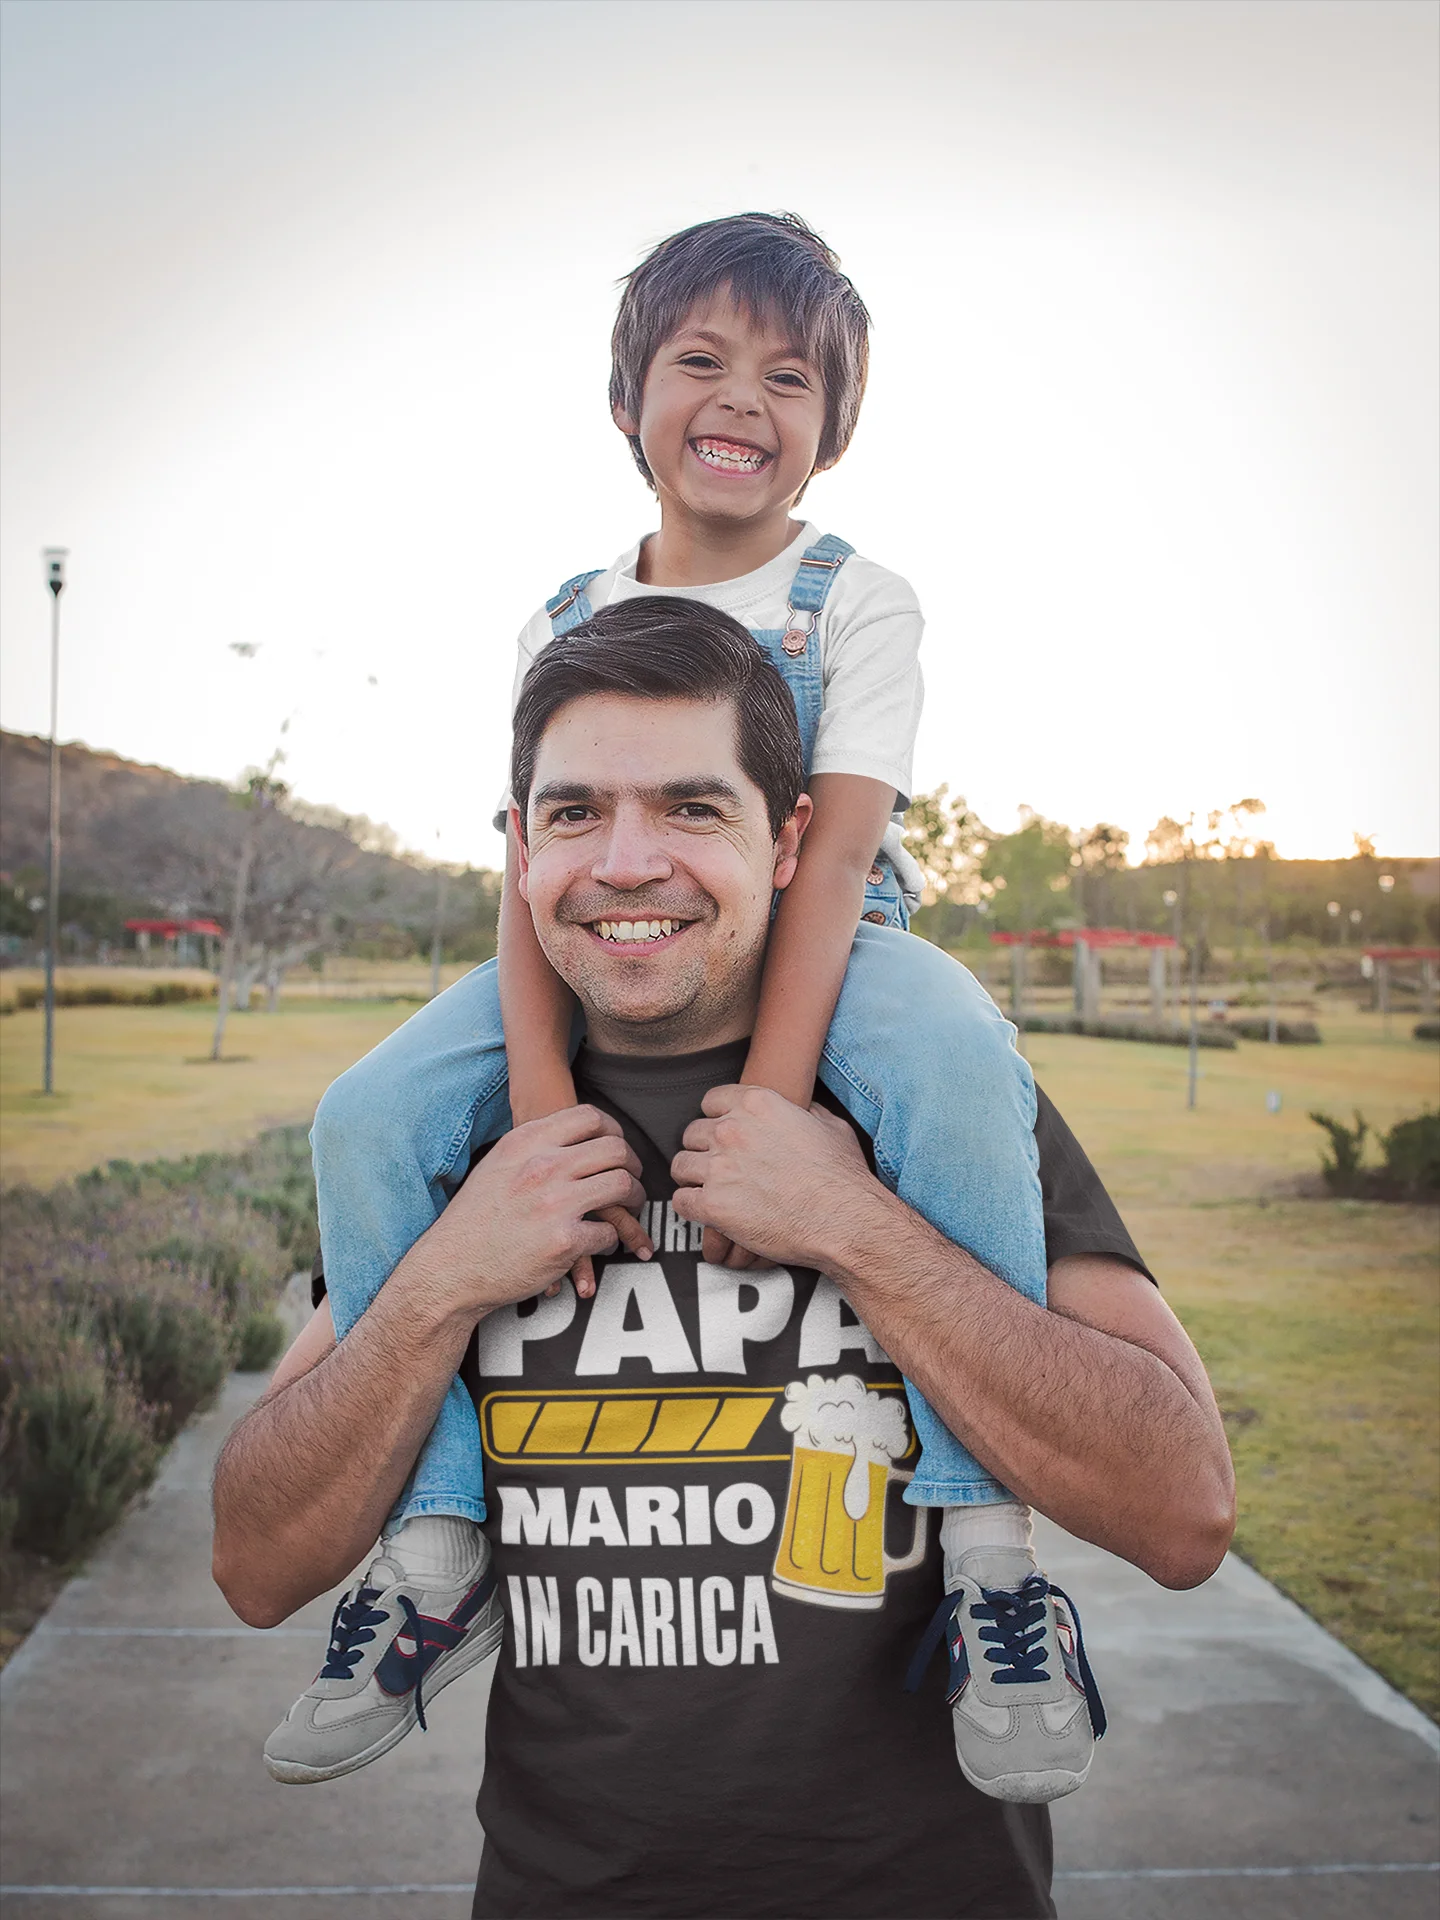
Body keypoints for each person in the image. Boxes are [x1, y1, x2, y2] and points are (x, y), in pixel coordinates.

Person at [264, 211, 1132, 1798]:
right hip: (604, 931)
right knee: (368, 1108)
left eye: (790, 376)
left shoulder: (858, 602)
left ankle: (995, 1557)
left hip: (829, 929)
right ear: (626, 401)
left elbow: (839, 849)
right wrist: (542, 1119)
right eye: (701, 360)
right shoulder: (563, 615)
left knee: (946, 1044)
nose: (743, 396)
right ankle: (439, 1537)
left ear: (832, 430)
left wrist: (776, 1113)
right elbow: (536, 858)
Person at [213, 607, 1235, 1920]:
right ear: (520, 846)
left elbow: (1184, 1513)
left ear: (793, 839)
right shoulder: (457, 1137)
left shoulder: (932, 1102)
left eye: (693, 809)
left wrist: (861, 1230)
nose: (628, 864)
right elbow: (256, 1561)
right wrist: (445, 1280)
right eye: (575, 813)